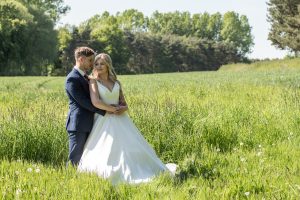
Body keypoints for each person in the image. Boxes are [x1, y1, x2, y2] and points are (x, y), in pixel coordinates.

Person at [78, 53, 176, 185]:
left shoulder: (116, 82)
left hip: (121, 118)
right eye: (96, 64)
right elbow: (96, 102)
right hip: (104, 119)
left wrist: (122, 109)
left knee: (130, 145)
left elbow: (124, 103)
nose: (99, 66)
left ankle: (138, 169)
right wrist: (112, 109)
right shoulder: (93, 81)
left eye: (102, 64)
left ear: (108, 65)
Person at [65, 47, 118, 166]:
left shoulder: (85, 77)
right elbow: (84, 102)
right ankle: (70, 179)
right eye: (90, 60)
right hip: (78, 124)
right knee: (75, 157)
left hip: (90, 122)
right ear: (81, 59)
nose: (92, 64)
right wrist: (105, 110)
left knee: (86, 156)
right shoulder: (72, 78)